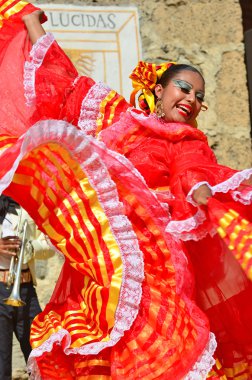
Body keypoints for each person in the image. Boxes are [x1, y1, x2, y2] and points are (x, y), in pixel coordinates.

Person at [0, 2, 251, 379]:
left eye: (199, 96)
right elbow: (68, 84)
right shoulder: (116, 116)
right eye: (184, 88)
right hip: (107, 258)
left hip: (157, 263)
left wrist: (203, 191)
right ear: (159, 88)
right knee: (105, 346)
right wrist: (33, 24)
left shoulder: (186, 138)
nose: (191, 100)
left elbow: (193, 171)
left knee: (156, 348)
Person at [0, 195, 55, 380]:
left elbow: (49, 244)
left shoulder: (28, 206)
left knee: (40, 349)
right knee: (2, 358)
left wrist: (29, 247)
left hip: (26, 290)